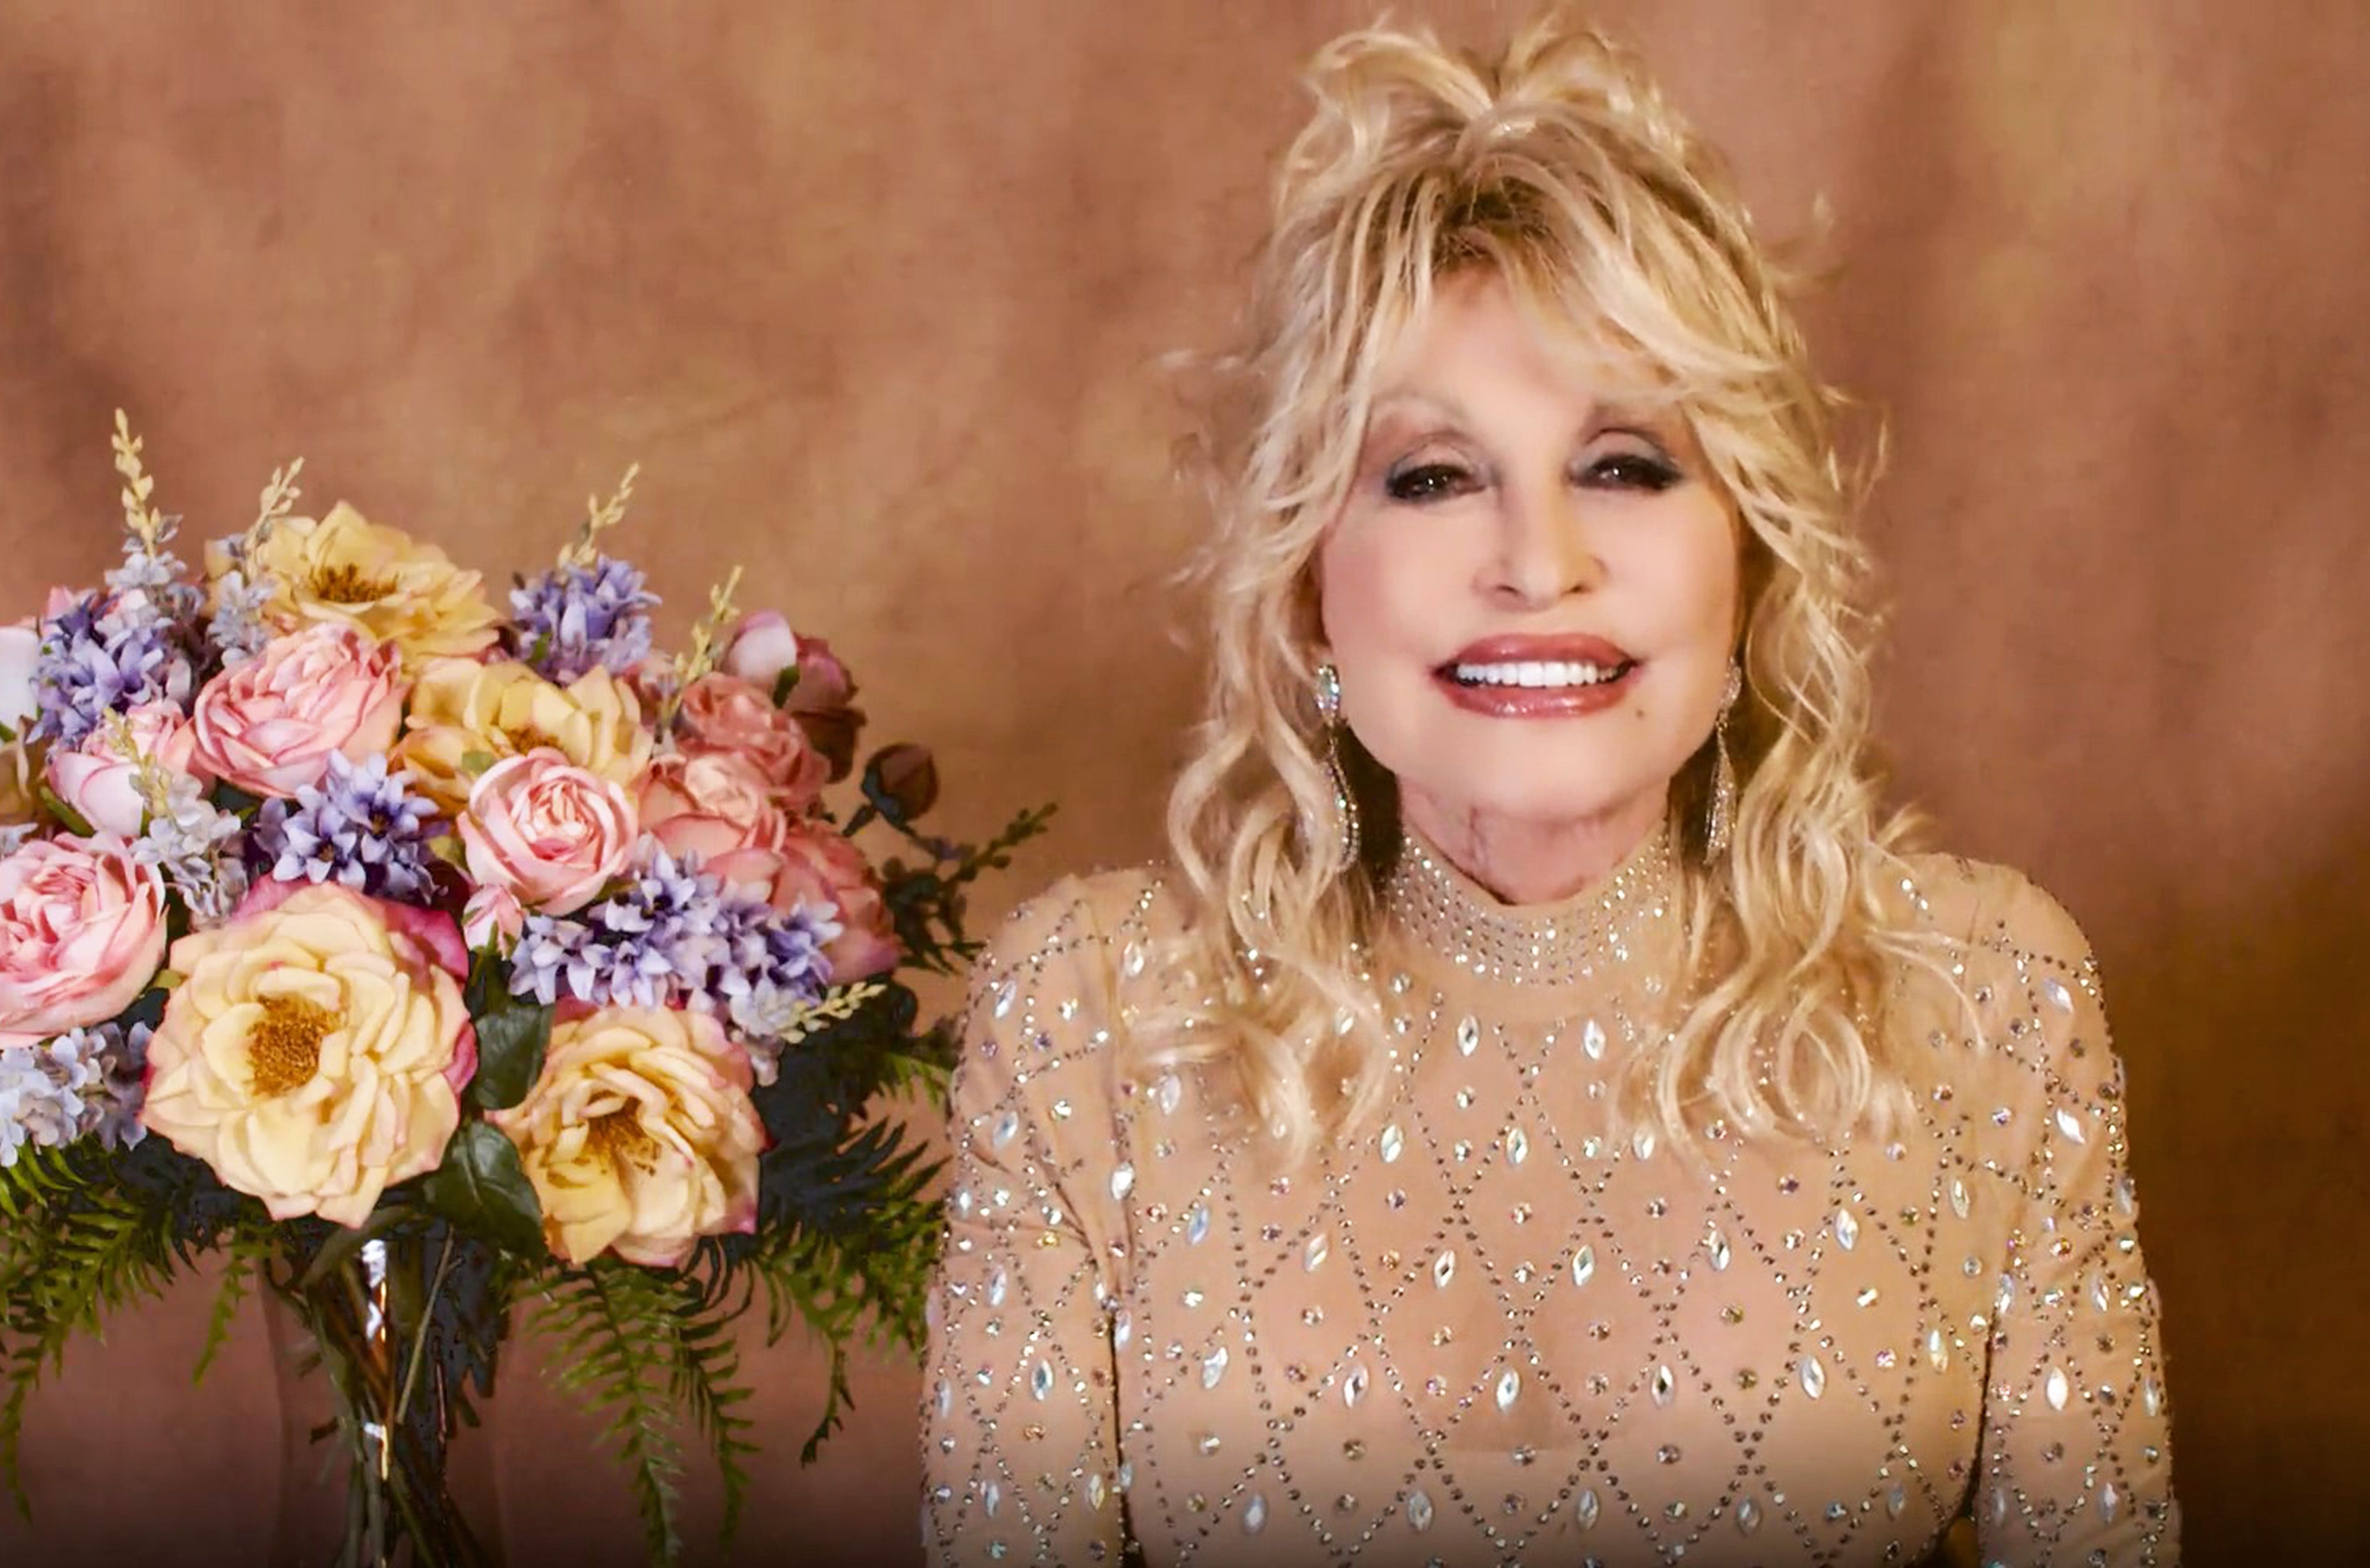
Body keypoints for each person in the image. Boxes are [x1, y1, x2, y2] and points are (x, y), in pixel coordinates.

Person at [917, 15, 2176, 1567]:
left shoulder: (1983, 1001)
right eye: (1433, 475)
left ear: (1747, 558)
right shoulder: (1095, 1019)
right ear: (1308, 586)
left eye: (1623, 464)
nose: (1537, 562)